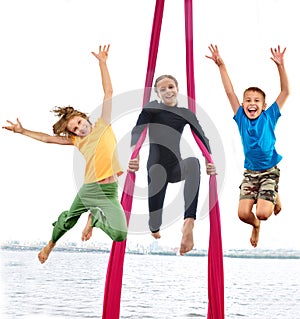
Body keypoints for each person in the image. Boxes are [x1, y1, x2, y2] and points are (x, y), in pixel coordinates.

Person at [2, 44, 127, 263]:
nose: (79, 128)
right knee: (69, 220)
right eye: (75, 129)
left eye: (79, 123)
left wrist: (102, 63)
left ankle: (95, 218)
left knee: (120, 234)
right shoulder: (76, 141)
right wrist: (22, 131)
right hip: (90, 188)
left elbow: (108, 92)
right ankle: (50, 244)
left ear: (85, 117)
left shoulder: (103, 124)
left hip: (110, 189)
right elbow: (48, 138)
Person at [206, 44, 290, 247]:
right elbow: (229, 92)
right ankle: (255, 226)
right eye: (248, 100)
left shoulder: (270, 116)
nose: (252, 103)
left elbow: (286, 91)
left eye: (257, 100)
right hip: (250, 172)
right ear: (243, 105)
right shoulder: (241, 118)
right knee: (244, 214)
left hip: (269, 170)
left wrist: (280, 65)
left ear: (264, 105)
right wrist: (221, 65)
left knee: (263, 213)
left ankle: (273, 194)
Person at [128, 74, 216, 256]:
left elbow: (202, 137)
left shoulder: (186, 114)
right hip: (156, 169)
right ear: (157, 93)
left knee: (193, 163)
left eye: (170, 87)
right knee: (154, 224)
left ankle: (188, 222)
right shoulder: (152, 108)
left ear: (177, 88)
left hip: (175, 167)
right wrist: (134, 155)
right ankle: (155, 227)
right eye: (162, 89)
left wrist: (209, 160)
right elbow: (137, 130)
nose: (168, 91)